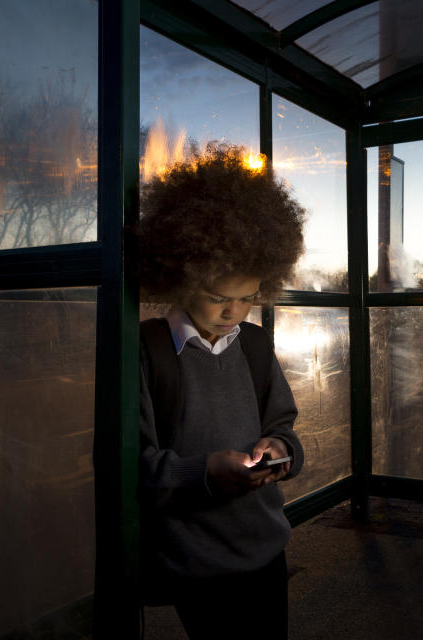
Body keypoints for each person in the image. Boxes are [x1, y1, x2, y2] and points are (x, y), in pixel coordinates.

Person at [137, 143, 305, 639]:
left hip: (266, 548)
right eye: (217, 297)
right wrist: (203, 472)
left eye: (248, 297)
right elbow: (132, 465)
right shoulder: (147, 351)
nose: (235, 311)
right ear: (182, 278)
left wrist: (279, 450)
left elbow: (284, 426)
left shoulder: (254, 345)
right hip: (194, 561)